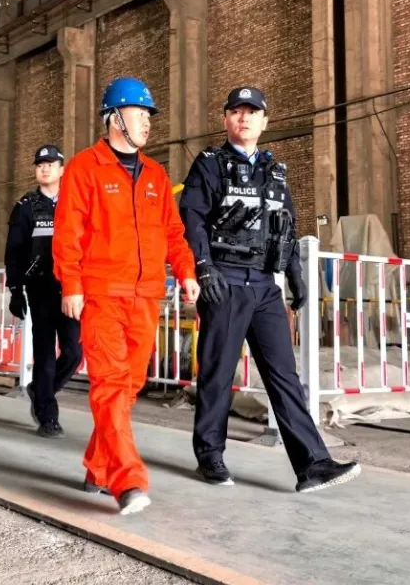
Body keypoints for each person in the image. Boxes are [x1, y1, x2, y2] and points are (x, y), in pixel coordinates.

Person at [178, 86, 361, 492]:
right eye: (236, 111)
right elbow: (191, 219)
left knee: (284, 377)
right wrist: (203, 268)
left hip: (264, 287)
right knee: (217, 374)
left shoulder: (275, 171)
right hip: (225, 283)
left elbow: (285, 226)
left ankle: (313, 465)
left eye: (252, 112)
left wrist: (295, 273)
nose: (244, 118)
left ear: (265, 121)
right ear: (226, 119)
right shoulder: (210, 165)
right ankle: (210, 456)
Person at [53, 76, 200, 515]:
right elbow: (68, 232)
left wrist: (186, 271)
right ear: (115, 118)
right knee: (111, 385)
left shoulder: (155, 174)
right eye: (140, 113)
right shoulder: (84, 167)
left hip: (146, 296)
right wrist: (71, 285)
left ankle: (98, 467)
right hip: (101, 294)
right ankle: (128, 481)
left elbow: (172, 232)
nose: (148, 122)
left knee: (130, 385)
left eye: (149, 115)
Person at [4, 144, 82, 439]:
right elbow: (14, 252)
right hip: (40, 288)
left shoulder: (76, 202)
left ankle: (40, 390)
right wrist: (15, 290)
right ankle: (48, 416)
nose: (45, 168)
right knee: (45, 354)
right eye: (40, 165)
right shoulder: (26, 207)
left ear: (62, 170)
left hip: (71, 289)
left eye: (50, 164)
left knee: (74, 352)